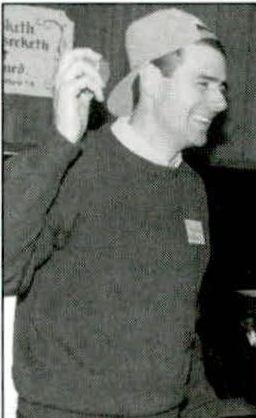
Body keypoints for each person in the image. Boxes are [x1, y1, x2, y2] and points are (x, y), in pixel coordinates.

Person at [4, 8, 230, 417]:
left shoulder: (190, 190)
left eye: (222, 87)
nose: (219, 102)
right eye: (203, 83)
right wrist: (61, 142)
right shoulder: (74, 166)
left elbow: (179, 336)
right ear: (151, 80)